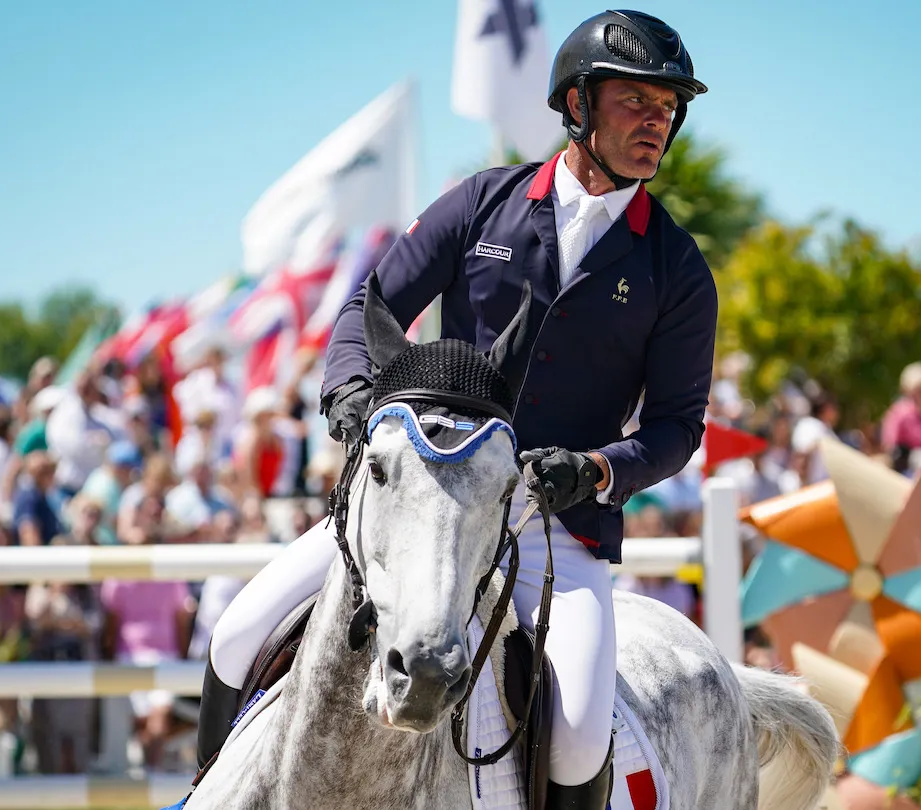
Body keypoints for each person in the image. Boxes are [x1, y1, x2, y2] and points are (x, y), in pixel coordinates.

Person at [192, 10, 714, 808]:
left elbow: (678, 425)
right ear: (577, 104)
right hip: (426, 497)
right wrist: (349, 391)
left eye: (668, 109)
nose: (656, 123)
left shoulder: (675, 266)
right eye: (635, 102)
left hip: (549, 523)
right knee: (236, 634)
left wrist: (598, 469)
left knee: (578, 733)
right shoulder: (480, 202)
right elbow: (370, 306)